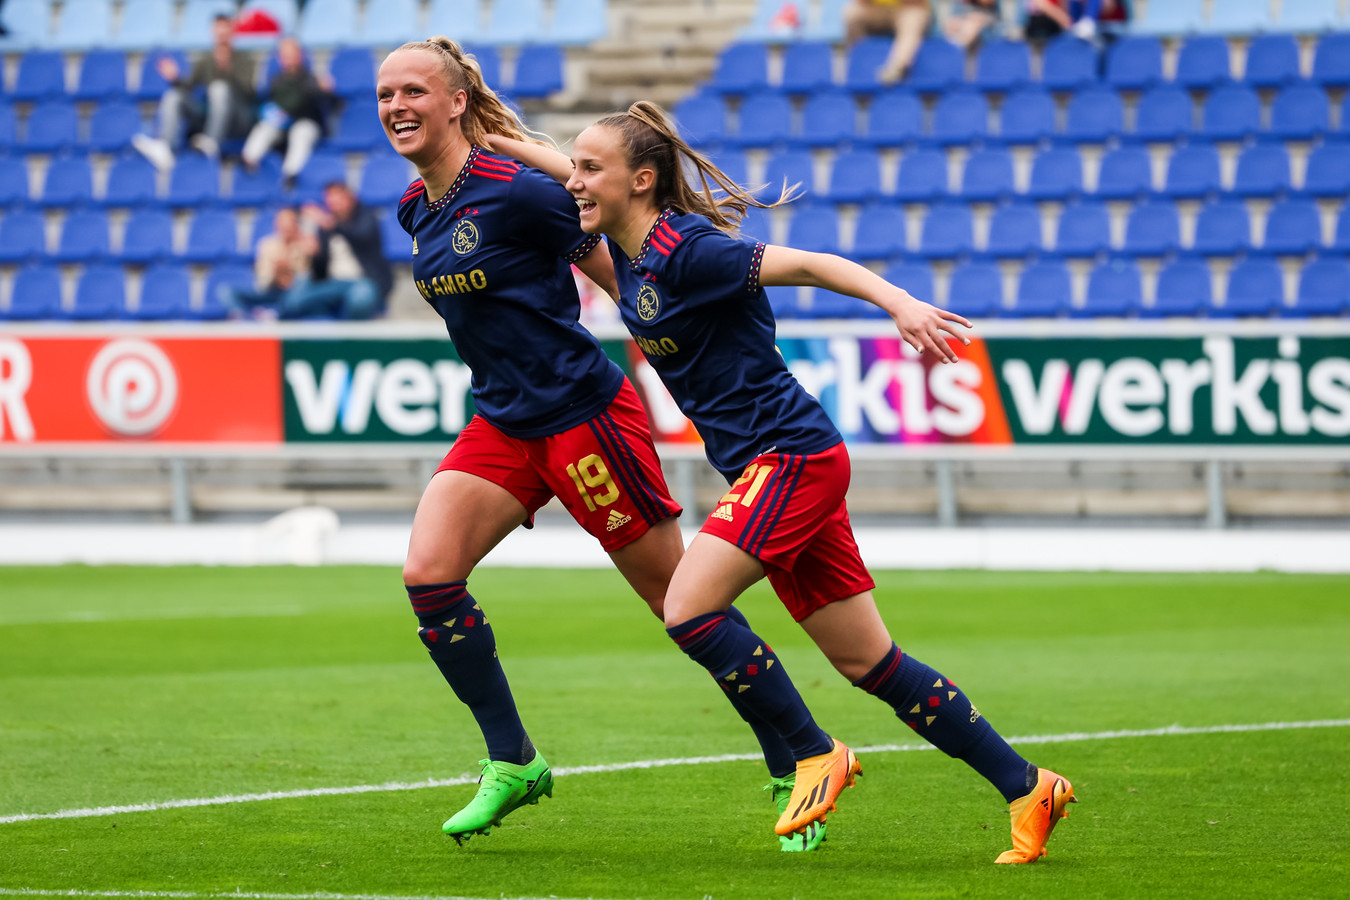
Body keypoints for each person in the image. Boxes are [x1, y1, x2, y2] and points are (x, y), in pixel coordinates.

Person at [488, 102, 1077, 863]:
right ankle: (1029, 787)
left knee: (689, 607)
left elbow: (810, 265)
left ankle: (811, 750)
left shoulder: (689, 250)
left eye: (590, 170)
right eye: (574, 168)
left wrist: (898, 303)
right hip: (770, 467)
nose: (573, 183)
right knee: (870, 662)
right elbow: (558, 169)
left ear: (641, 180)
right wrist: (498, 144)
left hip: (791, 456)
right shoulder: (623, 252)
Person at [376, 37, 828, 852]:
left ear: (452, 102)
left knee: (682, 605)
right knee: (428, 576)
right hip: (503, 421)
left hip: (584, 416)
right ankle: (512, 759)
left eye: (413, 91)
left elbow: (602, 226)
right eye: (385, 96)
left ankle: (796, 755)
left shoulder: (513, 192)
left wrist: (660, 318)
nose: (396, 107)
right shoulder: (418, 208)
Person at [131, 14, 257, 172]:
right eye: (218, 30)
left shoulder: (245, 60)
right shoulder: (206, 60)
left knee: (219, 88)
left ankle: (212, 141)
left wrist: (227, 70)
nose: (222, 34)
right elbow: (189, 87)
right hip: (209, 116)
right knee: (174, 96)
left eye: (225, 29)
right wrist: (175, 77)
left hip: (238, 118)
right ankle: (167, 148)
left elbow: (250, 92)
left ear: (232, 32)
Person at [280, 182, 392, 320]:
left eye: (338, 198)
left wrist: (331, 224)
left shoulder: (366, 217)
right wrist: (315, 254)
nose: (334, 203)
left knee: (360, 299)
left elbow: (361, 237)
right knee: (295, 300)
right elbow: (321, 270)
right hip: (333, 283)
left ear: (350, 198)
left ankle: (348, 338)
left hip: (364, 281)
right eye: (330, 199)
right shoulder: (325, 227)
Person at [241, 36, 335, 190]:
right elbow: (267, 107)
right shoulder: (276, 81)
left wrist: (328, 90)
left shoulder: (312, 80)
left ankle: (290, 174)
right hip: (281, 126)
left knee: (302, 131)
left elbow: (331, 103)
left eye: (292, 54)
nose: (289, 59)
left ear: (300, 55)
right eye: (285, 55)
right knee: (266, 126)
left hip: (306, 125)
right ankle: (248, 160)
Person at [219, 205, 316, 320]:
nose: (284, 225)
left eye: (288, 221)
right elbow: (262, 281)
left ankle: (275, 314)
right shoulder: (267, 245)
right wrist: (276, 274)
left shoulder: (305, 245)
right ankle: (241, 316)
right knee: (225, 290)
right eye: (281, 221)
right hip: (271, 291)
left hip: (293, 294)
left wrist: (289, 270)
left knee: (300, 286)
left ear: (296, 224)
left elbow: (307, 278)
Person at [844, 0, 931, 84]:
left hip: (908, 9)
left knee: (913, 19)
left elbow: (917, 2)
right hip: (877, 8)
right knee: (852, 13)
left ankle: (897, 69)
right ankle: (861, 62)